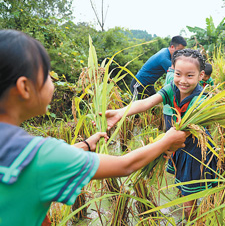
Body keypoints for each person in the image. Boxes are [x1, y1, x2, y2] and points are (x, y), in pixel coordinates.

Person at [0, 30, 187, 226]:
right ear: (24, 87)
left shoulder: (34, 153)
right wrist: (167, 140)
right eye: (47, 75)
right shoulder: (43, 154)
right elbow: (125, 165)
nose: (52, 83)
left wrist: (85, 145)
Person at [104, 49, 218, 220]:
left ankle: (194, 220)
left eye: (190, 76)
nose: (183, 81)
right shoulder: (172, 88)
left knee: (191, 196)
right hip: (178, 148)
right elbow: (146, 102)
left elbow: (183, 130)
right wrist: (120, 112)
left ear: (201, 75)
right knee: (182, 186)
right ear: (173, 70)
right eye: (178, 74)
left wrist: (162, 145)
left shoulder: (200, 99)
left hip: (195, 153)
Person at [130, 35, 186, 99]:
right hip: (139, 84)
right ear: (172, 47)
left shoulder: (165, 50)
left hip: (149, 86)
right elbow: (178, 72)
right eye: (179, 51)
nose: (180, 53)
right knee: (136, 107)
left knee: (154, 106)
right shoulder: (164, 59)